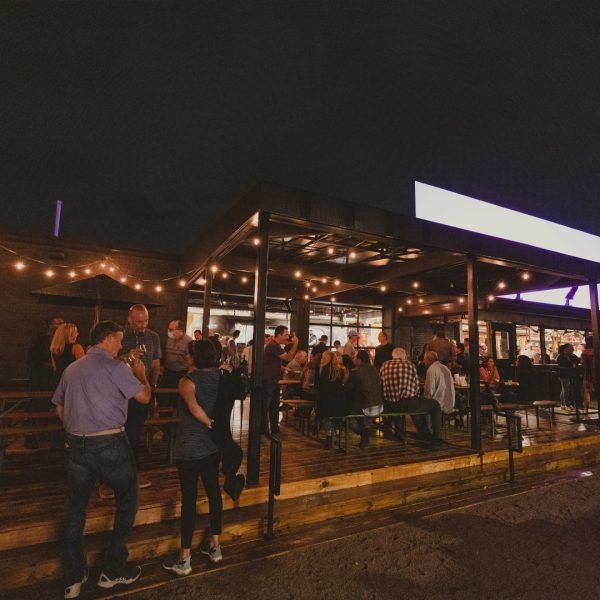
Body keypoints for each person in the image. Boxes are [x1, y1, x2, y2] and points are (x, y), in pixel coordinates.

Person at [52, 320, 151, 599]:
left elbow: (59, 409)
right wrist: (141, 373)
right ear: (107, 339)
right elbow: (143, 397)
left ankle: (73, 577)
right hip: (109, 442)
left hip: (75, 443)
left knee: (75, 507)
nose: (121, 345)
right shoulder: (116, 367)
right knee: (128, 498)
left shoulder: (73, 368)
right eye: (119, 340)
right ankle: (112, 568)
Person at [162, 340, 224, 576]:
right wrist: (214, 428)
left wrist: (208, 422)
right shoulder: (219, 375)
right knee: (213, 492)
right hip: (212, 445)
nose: (185, 355)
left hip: (189, 445)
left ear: (194, 356)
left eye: (188, 353)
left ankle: (184, 557)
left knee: (189, 500)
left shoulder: (187, 381)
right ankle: (215, 546)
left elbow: (194, 407)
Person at [119, 305, 161, 490]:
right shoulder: (120, 336)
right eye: (139, 321)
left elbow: (156, 364)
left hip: (143, 391)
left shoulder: (153, 337)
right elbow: (108, 361)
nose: (143, 325)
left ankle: (131, 474)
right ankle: (119, 476)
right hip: (120, 393)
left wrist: (153, 387)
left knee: (135, 434)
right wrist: (126, 357)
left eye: (145, 320)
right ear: (130, 319)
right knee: (121, 435)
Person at [379, 347, 448, 450]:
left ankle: (405, 432)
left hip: (390, 405)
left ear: (393, 356)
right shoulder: (409, 365)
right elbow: (416, 387)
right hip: (408, 403)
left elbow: (381, 384)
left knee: (408, 404)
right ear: (404, 356)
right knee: (434, 405)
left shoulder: (384, 365)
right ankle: (437, 439)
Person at [343, 350, 383, 449]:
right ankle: (365, 429)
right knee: (361, 414)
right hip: (379, 406)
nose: (353, 359)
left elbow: (347, 390)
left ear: (359, 360)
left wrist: (345, 379)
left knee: (345, 414)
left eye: (355, 357)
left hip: (365, 407)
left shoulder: (355, 372)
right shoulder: (374, 369)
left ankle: (364, 431)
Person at [262, 326, 298, 435]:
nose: (288, 337)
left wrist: (283, 368)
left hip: (273, 380)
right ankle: (264, 430)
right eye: (286, 334)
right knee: (267, 407)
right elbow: (288, 358)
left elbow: (272, 361)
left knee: (273, 406)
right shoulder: (273, 346)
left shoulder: (275, 345)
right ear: (279, 335)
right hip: (269, 380)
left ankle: (273, 430)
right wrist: (295, 343)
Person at [317, 351, 346, 449]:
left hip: (327, 399)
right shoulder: (339, 370)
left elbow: (319, 386)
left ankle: (329, 438)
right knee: (333, 416)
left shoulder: (324, 369)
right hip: (339, 400)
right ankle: (336, 432)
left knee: (326, 416)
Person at [28, 316, 64, 390]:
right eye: (60, 323)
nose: (63, 326)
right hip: (42, 379)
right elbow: (33, 359)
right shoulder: (40, 341)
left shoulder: (61, 341)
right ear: (50, 326)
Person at [161, 320, 193, 404]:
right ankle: (164, 415)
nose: (169, 331)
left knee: (177, 399)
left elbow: (191, 361)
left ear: (180, 331)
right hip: (168, 372)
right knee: (163, 397)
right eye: (168, 329)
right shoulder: (170, 339)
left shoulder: (189, 341)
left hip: (181, 373)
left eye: (171, 329)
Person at [49, 323, 85, 389]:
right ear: (69, 334)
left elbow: (55, 368)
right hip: (72, 382)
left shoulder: (54, 350)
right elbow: (83, 368)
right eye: (75, 332)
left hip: (58, 382)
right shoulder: (76, 347)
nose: (77, 334)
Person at [422, 350, 455, 415]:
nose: (423, 361)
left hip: (439, 404)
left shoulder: (431, 369)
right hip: (451, 403)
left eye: (424, 359)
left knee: (418, 407)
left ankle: (428, 424)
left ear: (429, 360)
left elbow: (429, 391)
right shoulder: (445, 367)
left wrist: (424, 400)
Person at [557, 344, 577, 410]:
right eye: (571, 348)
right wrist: (572, 364)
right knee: (566, 389)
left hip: (569, 374)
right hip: (563, 374)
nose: (573, 349)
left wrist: (574, 363)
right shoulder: (560, 356)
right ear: (566, 349)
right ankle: (566, 404)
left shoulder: (572, 355)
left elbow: (576, 360)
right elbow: (563, 364)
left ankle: (563, 404)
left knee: (564, 389)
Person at [581, 336, 596, 416]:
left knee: (586, 392)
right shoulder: (596, 350)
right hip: (596, 373)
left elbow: (582, 363)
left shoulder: (584, 352)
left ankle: (586, 410)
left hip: (587, 373)